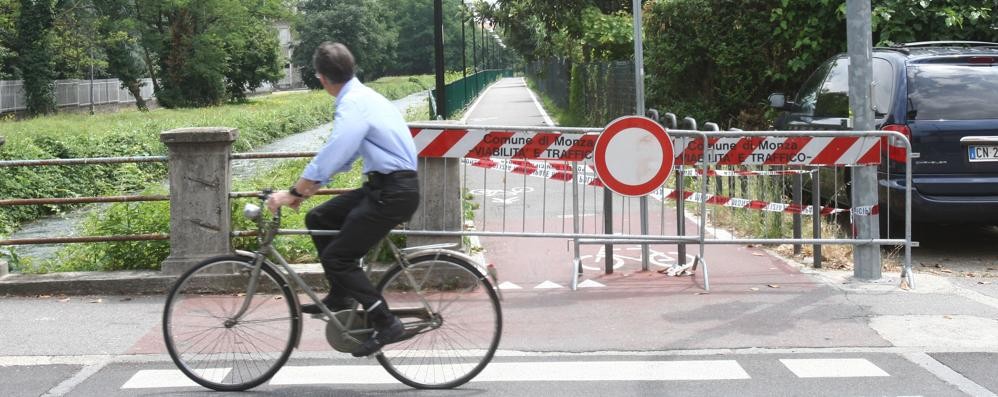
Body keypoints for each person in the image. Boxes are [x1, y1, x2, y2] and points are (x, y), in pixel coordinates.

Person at [266, 42, 420, 357]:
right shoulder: (361, 97)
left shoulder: (352, 103)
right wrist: (309, 188)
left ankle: (386, 322)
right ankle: (341, 295)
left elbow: (337, 149)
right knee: (319, 218)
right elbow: (346, 156)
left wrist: (295, 191)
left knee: (339, 258)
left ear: (321, 78)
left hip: (391, 192)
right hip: (386, 187)